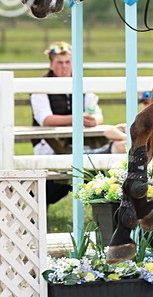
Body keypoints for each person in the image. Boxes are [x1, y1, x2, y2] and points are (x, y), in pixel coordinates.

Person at [31, 41, 104, 204]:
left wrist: (94, 120)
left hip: (80, 142)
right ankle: (40, 200)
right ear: (51, 64)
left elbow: (98, 114)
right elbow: (45, 119)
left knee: (97, 164)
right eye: (59, 62)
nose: (64, 67)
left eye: (67, 62)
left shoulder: (82, 84)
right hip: (48, 144)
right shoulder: (40, 86)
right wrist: (77, 119)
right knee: (69, 164)